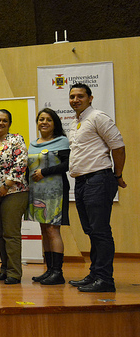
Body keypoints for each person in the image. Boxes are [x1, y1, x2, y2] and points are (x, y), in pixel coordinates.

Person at [67, 83, 126, 293]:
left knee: (100, 231)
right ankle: (95, 274)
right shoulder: (76, 122)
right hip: (82, 182)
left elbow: (118, 146)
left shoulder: (98, 117)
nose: (75, 100)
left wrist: (117, 175)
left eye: (80, 96)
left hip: (99, 179)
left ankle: (105, 279)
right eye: (72, 96)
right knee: (92, 231)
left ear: (90, 98)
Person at [27, 108, 70, 285]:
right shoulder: (33, 143)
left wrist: (44, 172)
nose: (44, 122)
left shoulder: (61, 141)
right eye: (41, 119)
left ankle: (58, 272)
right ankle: (49, 270)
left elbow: (68, 164)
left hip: (55, 192)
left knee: (53, 230)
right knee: (44, 230)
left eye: (48, 120)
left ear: (55, 124)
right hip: (37, 192)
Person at [0, 109, 29, 285]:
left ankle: (14, 272)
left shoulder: (16, 139)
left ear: (9, 123)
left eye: (4, 120)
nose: (0, 123)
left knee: (11, 234)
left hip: (14, 192)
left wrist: (6, 186)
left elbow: (21, 164)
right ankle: (4, 269)